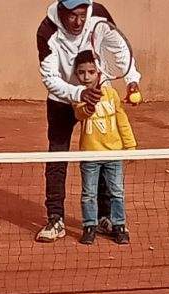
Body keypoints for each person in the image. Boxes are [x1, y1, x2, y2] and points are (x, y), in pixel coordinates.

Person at [36, 0, 141, 242]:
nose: (78, 22)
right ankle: (55, 218)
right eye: (72, 15)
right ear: (61, 11)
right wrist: (78, 94)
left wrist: (131, 79)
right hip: (62, 99)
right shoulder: (47, 31)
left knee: (104, 151)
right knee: (58, 156)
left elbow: (119, 48)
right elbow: (50, 77)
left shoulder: (100, 14)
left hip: (99, 93)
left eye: (82, 15)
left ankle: (104, 216)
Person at [72, 50, 135, 244]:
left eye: (91, 72)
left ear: (98, 73)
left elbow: (121, 119)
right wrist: (88, 106)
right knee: (88, 193)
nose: (86, 77)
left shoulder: (111, 94)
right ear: (76, 74)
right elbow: (79, 114)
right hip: (90, 154)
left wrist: (130, 144)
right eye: (82, 72)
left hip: (113, 153)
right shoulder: (78, 95)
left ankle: (119, 226)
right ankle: (89, 226)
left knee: (117, 192)